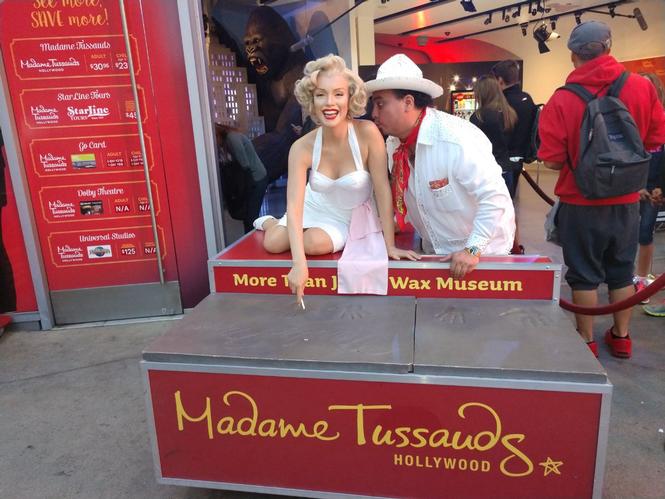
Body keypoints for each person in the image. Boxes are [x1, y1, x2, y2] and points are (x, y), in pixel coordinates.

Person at [538, 21, 665, 358]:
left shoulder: (562, 98)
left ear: (573, 55)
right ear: (609, 48)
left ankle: (586, 340)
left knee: (583, 274)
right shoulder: (641, 87)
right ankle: (621, 337)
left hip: (580, 201)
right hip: (627, 200)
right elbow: (655, 140)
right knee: (622, 271)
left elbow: (552, 161)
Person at [253, 54, 418, 301]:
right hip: (313, 205)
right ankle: (269, 223)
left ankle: (285, 228)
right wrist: (299, 264)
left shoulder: (368, 133)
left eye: (338, 94)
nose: (330, 103)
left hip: (346, 216)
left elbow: (383, 190)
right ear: (311, 100)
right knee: (273, 243)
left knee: (313, 243)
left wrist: (389, 244)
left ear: (350, 97)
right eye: (321, 94)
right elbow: (295, 206)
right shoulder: (301, 147)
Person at [365, 54, 515, 280]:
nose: (374, 114)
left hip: (482, 257)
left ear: (408, 102)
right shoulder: (394, 144)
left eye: (380, 104)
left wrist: (472, 249)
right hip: (435, 253)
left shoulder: (455, 139)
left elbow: (495, 198)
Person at [633, 72, 665, 303]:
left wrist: (660, 187)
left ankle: (642, 278)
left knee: (645, 231)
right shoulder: (629, 119)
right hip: (630, 186)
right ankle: (622, 277)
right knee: (622, 233)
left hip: (653, 187)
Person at [491, 59, 538, 198]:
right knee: (509, 197)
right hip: (520, 156)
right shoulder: (527, 99)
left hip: (502, 159)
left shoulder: (501, 103)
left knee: (499, 199)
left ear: (500, 80)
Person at [215, 124, 269, 233]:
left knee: (251, 217)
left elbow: (244, 164)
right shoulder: (232, 137)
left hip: (255, 178)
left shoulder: (231, 139)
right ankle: (251, 238)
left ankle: (252, 239)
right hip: (255, 177)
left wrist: (246, 189)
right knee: (249, 216)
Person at [470, 75, 518, 186]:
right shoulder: (509, 113)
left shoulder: (478, 117)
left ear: (482, 94)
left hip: (486, 171)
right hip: (506, 168)